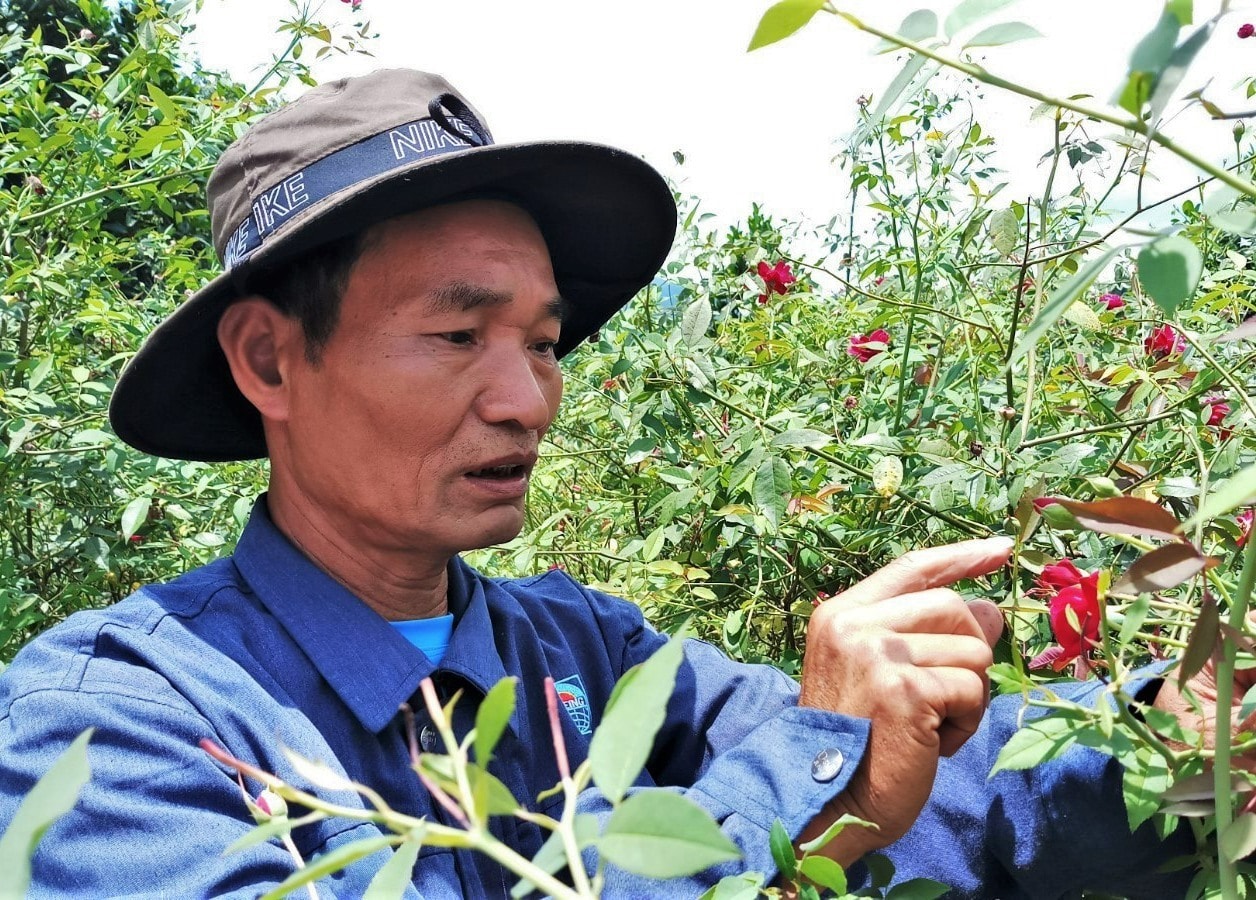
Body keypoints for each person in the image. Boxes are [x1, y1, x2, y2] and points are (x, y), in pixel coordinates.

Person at [0, 67, 1221, 898]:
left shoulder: (583, 658)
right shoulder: (117, 722)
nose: (527, 400)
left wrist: (1190, 738)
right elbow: (807, 771)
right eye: (456, 333)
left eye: (541, 341)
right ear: (270, 357)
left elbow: (942, 798)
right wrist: (804, 773)